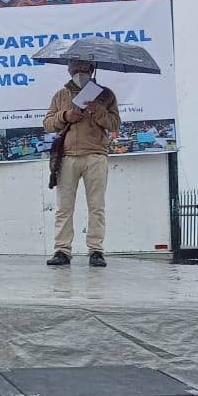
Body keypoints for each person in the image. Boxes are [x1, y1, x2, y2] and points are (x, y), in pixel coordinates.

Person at [43, 59, 120, 268]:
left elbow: (114, 124)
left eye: (83, 67)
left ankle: (96, 250)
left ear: (92, 69)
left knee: (96, 206)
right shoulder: (61, 95)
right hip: (67, 156)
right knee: (64, 207)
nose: (78, 71)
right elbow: (48, 123)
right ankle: (62, 250)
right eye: (74, 68)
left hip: (95, 155)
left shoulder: (105, 94)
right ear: (68, 70)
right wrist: (66, 115)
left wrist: (97, 110)